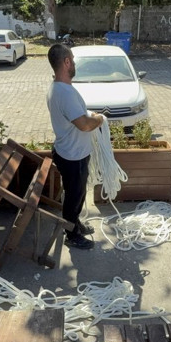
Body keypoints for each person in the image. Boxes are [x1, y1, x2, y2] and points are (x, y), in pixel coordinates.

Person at [46, 44, 104, 249]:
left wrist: (89, 115)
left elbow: (77, 116)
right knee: (74, 195)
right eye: (73, 60)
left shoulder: (58, 87)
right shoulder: (65, 92)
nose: (75, 64)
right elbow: (85, 125)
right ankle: (71, 235)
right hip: (73, 156)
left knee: (75, 193)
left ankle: (75, 223)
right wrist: (99, 119)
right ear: (67, 62)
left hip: (70, 152)